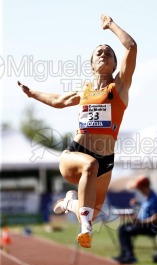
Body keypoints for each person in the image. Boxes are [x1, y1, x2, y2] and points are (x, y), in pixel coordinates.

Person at [18, 14, 137, 249]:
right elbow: (57, 100)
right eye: (98, 53)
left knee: (90, 211)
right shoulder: (84, 90)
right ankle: (85, 229)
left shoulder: (120, 86)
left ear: (114, 65)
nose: (104, 54)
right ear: (92, 64)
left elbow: (131, 46)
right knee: (89, 167)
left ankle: (69, 202)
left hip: (106, 163)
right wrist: (33, 93)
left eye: (109, 53)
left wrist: (110, 25)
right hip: (76, 154)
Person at [113, 175, 157, 264]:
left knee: (125, 230)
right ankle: (124, 254)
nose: (139, 190)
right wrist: (138, 203)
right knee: (123, 227)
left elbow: (156, 218)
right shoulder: (147, 198)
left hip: (150, 227)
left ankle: (130, 256)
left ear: (143, 187)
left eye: (139, 188)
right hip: (142, 225)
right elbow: (146, 209)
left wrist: (141, 222)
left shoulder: (155, 198)